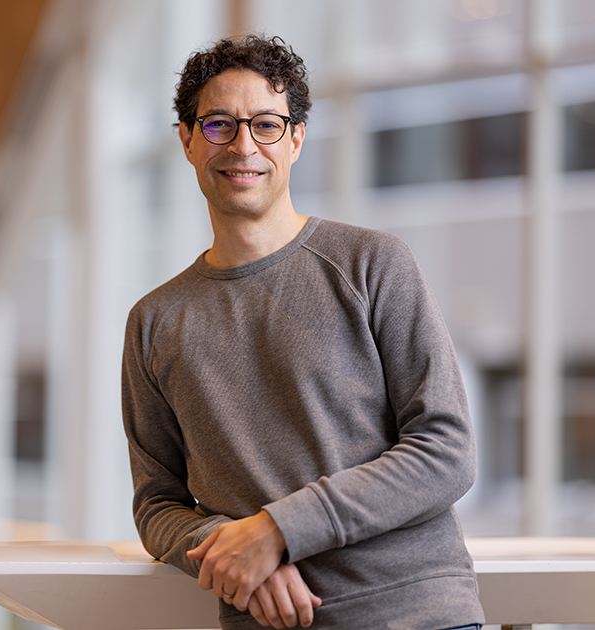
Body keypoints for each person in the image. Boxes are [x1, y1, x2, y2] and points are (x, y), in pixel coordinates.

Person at [121, 34, 484, 630]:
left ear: (295, 138)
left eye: (266, 124)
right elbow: (157, 505)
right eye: (219, 125)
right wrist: (232, 551)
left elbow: (446, 451)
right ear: (186, 140)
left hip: (416, 616)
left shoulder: (374, 264)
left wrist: (278, 531)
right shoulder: (154, 321)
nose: (244, 146)